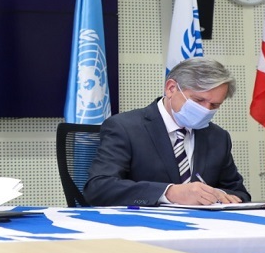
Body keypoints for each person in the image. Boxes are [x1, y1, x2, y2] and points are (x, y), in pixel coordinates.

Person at [84, 57, 250, 206]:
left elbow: (239, 193)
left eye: (214, 105)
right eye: (199, 100)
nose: (206, 110)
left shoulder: (218, 137)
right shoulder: (125, 127)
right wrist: (169, 192)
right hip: (144, 225)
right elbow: (99, 188)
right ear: (171, 89)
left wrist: (218, 195)